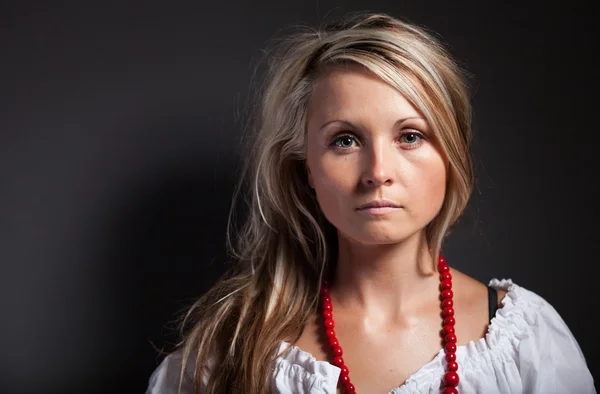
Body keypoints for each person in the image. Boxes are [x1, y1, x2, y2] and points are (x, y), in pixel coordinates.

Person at [145, 12, 595, 394]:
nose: (378, 171)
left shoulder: (525, 339)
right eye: (345, 140)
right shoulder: (233, 346)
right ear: (306, 168)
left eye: (411, 136)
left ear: (452, 154)